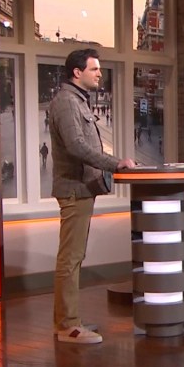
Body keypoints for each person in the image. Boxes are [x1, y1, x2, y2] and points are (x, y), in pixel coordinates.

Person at [49, 49, 136, 344]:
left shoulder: (77, 100)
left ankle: (67, 320)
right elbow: (75, 146)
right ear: (77, 72)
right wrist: (115, 163)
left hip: (83, 189)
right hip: (74, 189)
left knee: (74, 257)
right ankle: (68, 326)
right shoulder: (67, 102)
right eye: (94, 69)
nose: (99, 73)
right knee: (70, 258)